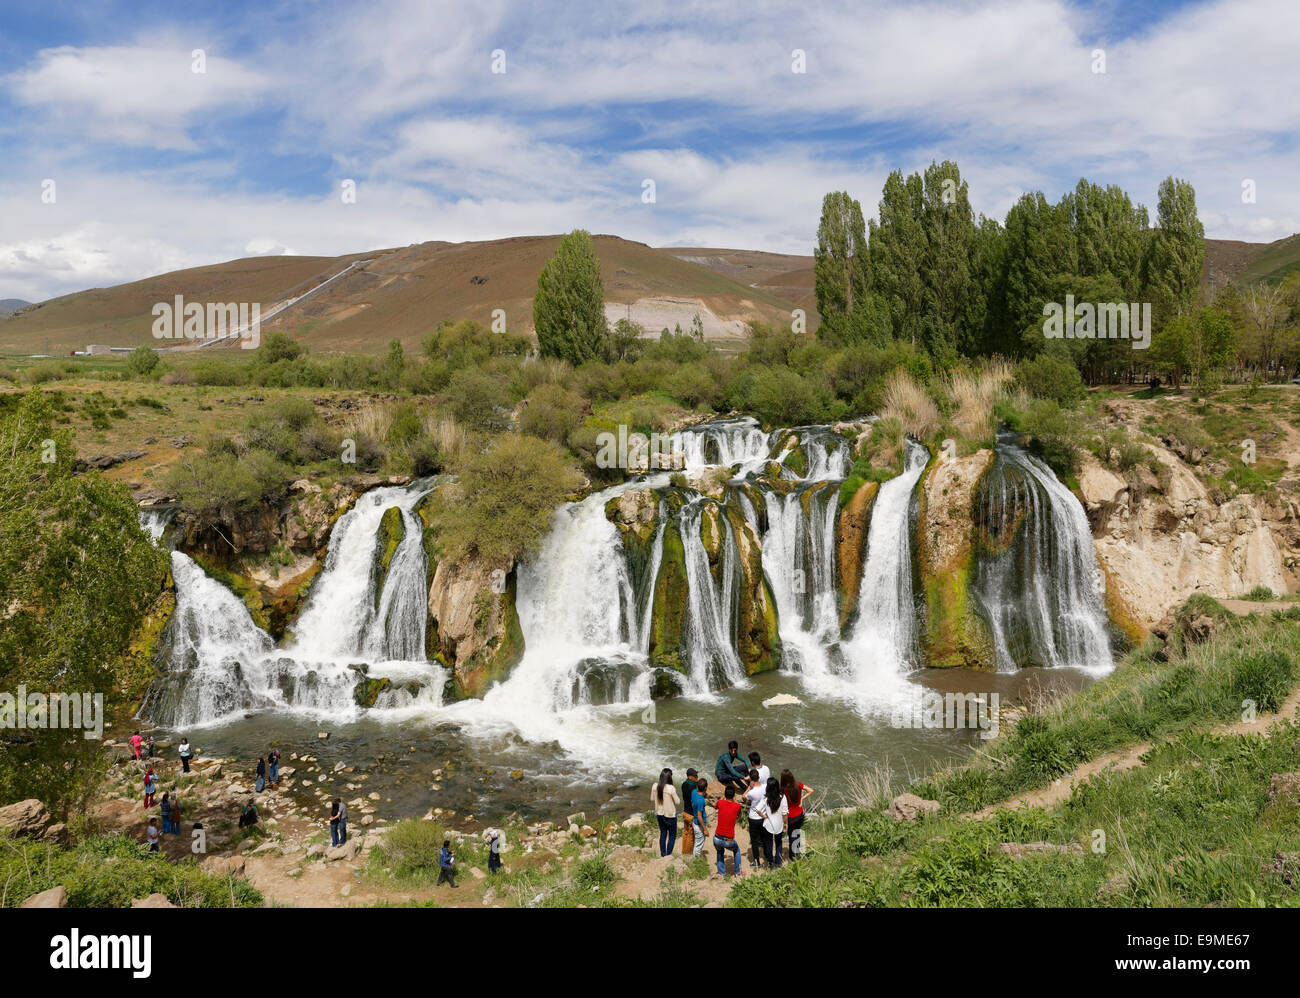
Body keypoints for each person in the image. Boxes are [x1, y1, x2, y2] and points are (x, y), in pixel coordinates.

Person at [712, 785, 744, 877]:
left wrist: (723, 797)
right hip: (728, 840)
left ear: (724, 795)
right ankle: (738, 873)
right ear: (734, 795)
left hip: (717, 838)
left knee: (720, 851)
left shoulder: (720, 803)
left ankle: (722, 873)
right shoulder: (737, 806)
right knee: (737, 850)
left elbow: (715, 806)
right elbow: (739, 815)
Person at [758, 777, 789, 869]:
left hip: (768, 825)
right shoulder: (782, 797)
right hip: (779, 825)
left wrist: (764, 816)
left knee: (769, 844)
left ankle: (771, 863)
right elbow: (785, 812)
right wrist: (786, 823)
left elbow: (758, 809)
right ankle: (778, 863)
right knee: (779, 843)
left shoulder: (765, 798)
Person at [780, 769, 811, 861]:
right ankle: (798, 853)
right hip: (800, 814)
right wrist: (802, 798)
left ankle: (793, 857)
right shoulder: (798, 784)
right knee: (797, 833)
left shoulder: (783, 789)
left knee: (792, 837)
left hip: (791, 817)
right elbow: (811, 790)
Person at [652, 768, 680, 857]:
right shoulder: (671, 788)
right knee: (672, 836)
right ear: (670, 777)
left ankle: (663, 854)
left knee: (663, 834)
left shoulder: (655, 786)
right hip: (670, 816)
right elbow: (678, 802)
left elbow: (652, 798)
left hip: (659, 814)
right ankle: (668, 855)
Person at [743, 770, 767, 870]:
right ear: (759, 777)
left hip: (753, 817)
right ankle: (766, 856)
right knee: (764, 837)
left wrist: (749, 787)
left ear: (751, 779)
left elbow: (743, 797)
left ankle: (756, 861)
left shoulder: (751, 792)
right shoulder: (765, 787)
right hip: (763, 816)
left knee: (754, 841)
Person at [680, 768, 700, 856]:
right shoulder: (693, 787)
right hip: (691, 814)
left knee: (685, 833)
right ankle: (689, 853)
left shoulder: (684, 784)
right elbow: (694, 801)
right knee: (691, 836)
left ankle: (684, 851)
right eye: (695, 776)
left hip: (685, 812)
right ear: (690, 777)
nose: (697, 777)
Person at [691, 776, 709, 857]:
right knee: (699, 843)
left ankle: (696, 856)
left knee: (698, 842)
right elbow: (699, 816)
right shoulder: (701, 801)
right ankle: (696, 861)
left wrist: (704, 795)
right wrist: (705, 829)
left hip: (694, 821)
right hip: (699, 824)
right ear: (705, 788)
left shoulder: (694, 792)